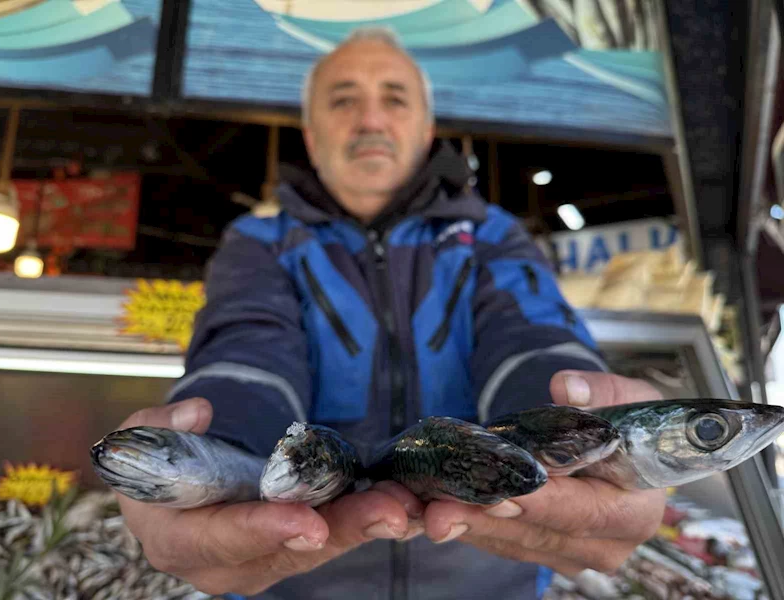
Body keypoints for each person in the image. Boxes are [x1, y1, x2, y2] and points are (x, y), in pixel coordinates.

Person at [114, 27, 667, 599]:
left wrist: (576, 425)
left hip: (490, 572)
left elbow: (529, 333)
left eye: (395, 99)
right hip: (295, 574)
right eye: (343, 99)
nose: (371, 120)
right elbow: (247, 348)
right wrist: (218, 452)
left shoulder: (492, 235)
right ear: (310, 132)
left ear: (427, 128)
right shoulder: (259, 240)